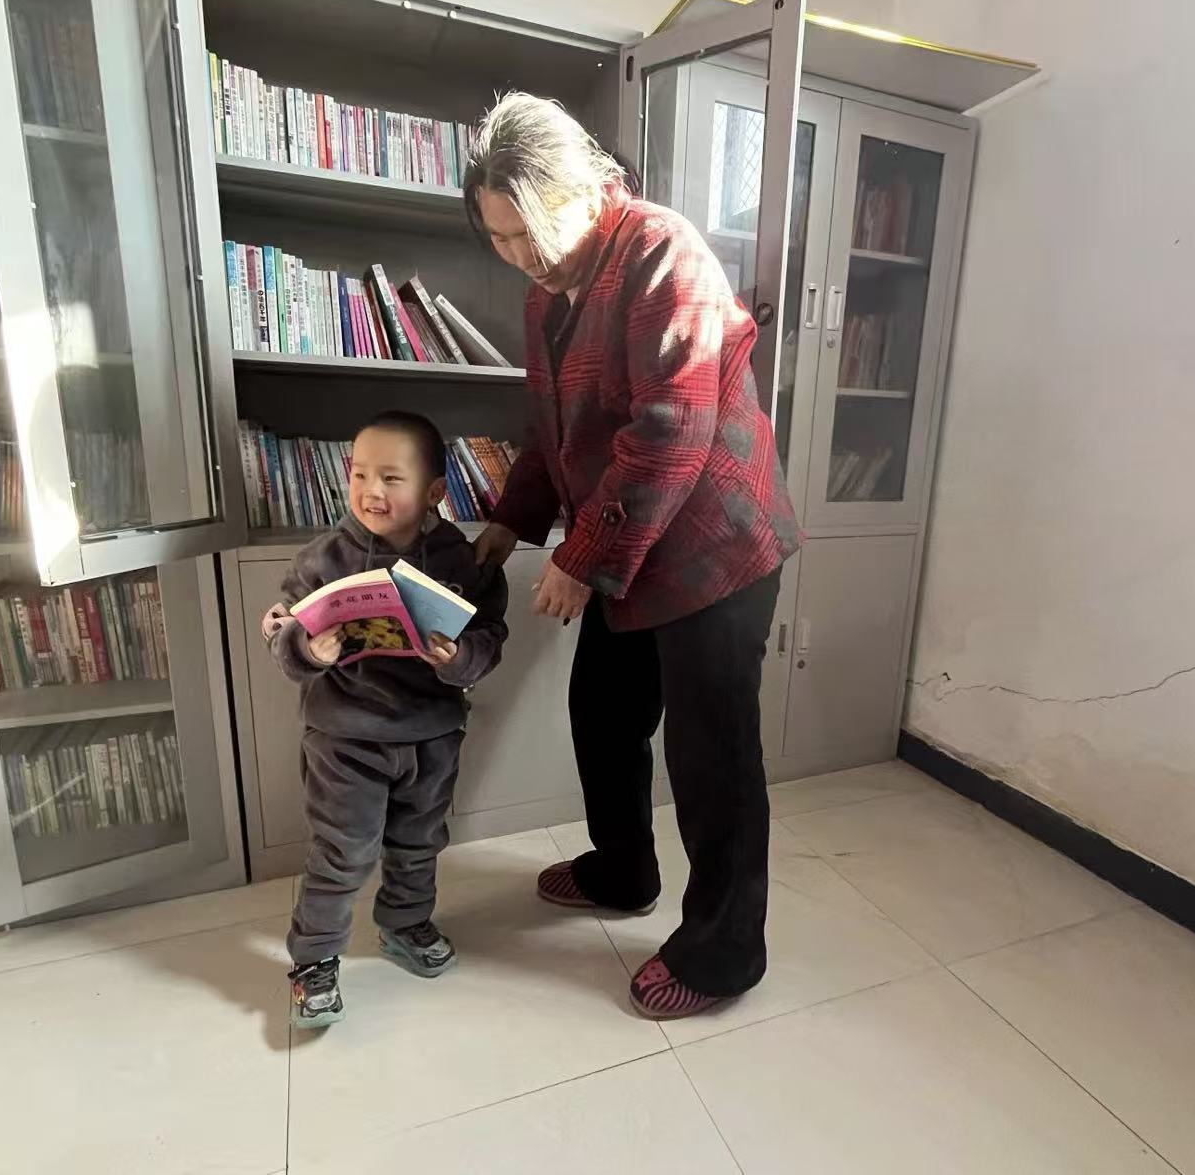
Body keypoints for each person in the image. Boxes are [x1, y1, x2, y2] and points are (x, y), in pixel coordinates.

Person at [466, 92, 802, 1020]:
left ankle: (724, 951)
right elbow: (554, 428)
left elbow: (668, 431)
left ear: (589, 187)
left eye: (532, 232)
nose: (522, 255)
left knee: (711, 755)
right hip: (633, 543)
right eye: (500, 238)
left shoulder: (662, 251)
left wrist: (581, 557)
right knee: (604, 714)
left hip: (714, 547)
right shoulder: (547, 293)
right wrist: (511, 520)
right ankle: (624, 870)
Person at [262, 410, 509, 1029]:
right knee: (343, 852)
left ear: (434, 491)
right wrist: (306, 649)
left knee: (420, 841)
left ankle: (404, 923)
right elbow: (283, 631)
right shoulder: (323, 558)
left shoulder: (459, 560)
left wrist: (458, 657)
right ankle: (314, 961)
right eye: (360, 474)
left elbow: (489, 638)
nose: (372, 491)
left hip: (432, 734)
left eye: (391, 478)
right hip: (345, 738)